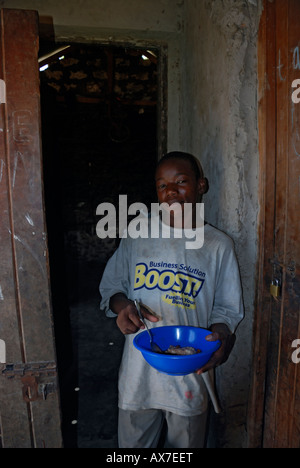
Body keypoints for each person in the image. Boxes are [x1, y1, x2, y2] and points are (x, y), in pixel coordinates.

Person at [99, 151, 244, 448]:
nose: (171, 192)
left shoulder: (218, 245)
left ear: (201, 185)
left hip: (190, 372)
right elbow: (112, 287)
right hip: (139, 373)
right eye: (162, 185)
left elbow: (227, 309)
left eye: (181, 181)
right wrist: (122, 307)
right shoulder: (139, 233)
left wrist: (221, 336)